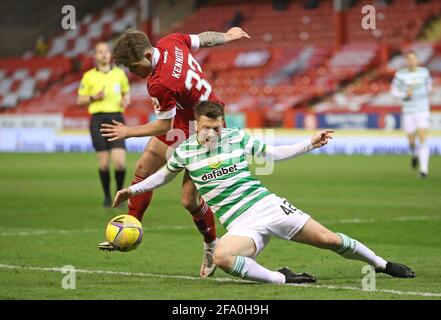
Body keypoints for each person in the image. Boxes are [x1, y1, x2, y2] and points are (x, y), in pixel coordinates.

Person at [112, 101, 416, 284]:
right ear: (196, 126)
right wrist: (131, 190)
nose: (212, 134)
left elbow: (273, 154)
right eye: (207, 127)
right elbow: (163, 177)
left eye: (217, 128)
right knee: (222, 257)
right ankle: (284, 278)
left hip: (267, 206)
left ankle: (382, 264)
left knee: (329, 240)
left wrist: (309, 143)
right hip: (242, 225)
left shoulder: (236, 138)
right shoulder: (185, 152)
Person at [99, 28, 250, 279]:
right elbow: (205, 39)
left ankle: (212, 244)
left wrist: (128, 131)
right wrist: (227, 35)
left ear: (148, 54)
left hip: (205, 127)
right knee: (143, 167)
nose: (133, 72)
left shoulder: (160, 83)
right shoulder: (171, 42)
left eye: (134, 66)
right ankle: (131, 227)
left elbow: (162, 126)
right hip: (188, 116)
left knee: (188, 200)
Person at [77, 42, 131, 207]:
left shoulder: (119, 74)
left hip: (116, 118)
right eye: (100, 52)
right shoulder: (88, 76)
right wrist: (94, 97)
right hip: (98, 119)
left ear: (110, 54)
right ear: (95, 56)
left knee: (120, 163)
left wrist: (126, 99)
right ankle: (107, 197)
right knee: (103, 163)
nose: (103, 54)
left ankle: (119, 194)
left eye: (106, 51)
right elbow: (79, 100)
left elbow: (126, 92)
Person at [391, 51, 432, 178]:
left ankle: (423, 170)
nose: (411, 61)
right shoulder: (400, 75)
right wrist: (405, 95)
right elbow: (394, 92)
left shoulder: (424, 72)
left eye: (413, 59)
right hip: (408, 111)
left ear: (417, 60)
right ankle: (414, 154)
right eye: (408, 59)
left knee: (422, 137)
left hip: (422, 109)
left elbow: (429, 87)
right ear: (406, 61)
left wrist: (425, 91)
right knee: (411, 140)